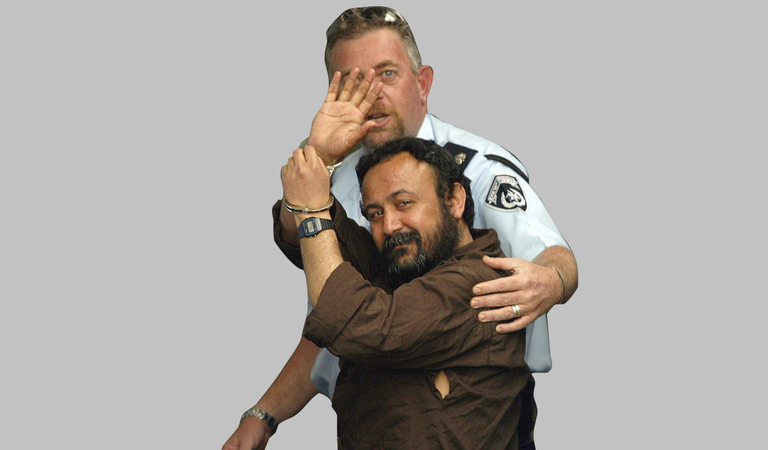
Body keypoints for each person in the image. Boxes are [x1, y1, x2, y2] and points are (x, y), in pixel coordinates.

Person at [222, 6, 577, 450]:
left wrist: (555, 280)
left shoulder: (478, 168)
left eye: (386, 74)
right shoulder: (337, 171)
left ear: (422, 84)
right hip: (372, 414)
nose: (371, 95)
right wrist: (264, 414)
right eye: (351, 82)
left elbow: (552, 256)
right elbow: (331, 312)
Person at [277, 137, 529, 448]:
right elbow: (300, 240)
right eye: (375, 213)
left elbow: (361, 325)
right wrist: (319, 153)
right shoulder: (405, 264)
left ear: (454, 201)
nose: (390, 225)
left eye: (403, 203)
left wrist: (310, 211)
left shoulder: (479, 283)